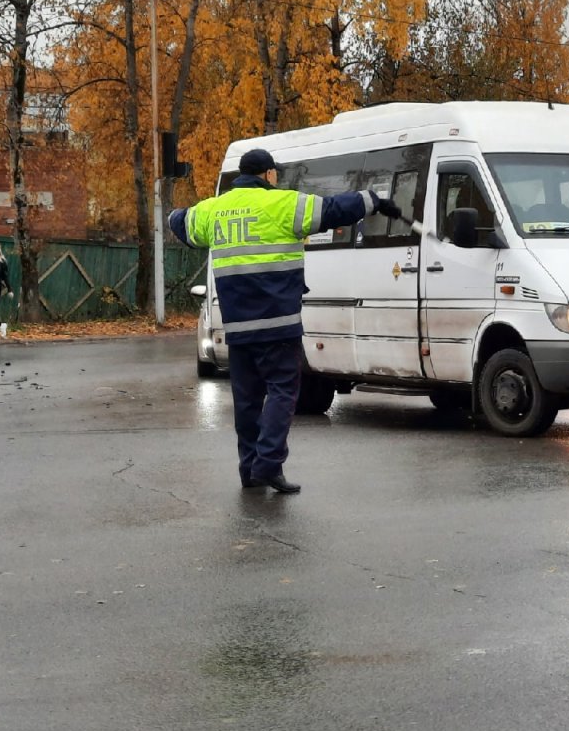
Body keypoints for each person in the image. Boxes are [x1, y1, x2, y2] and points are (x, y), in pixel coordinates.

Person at [169, 147, 400, 493]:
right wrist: (372, 199)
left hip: (237, 329)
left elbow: (181, 223)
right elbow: (334, 210)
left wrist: (176, 213)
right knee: (282, 391)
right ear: (269, 175)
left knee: (246, 402)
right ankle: (268, 464)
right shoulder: (284, 204)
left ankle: (249, 470)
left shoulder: (214, 211)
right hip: (278, 324)